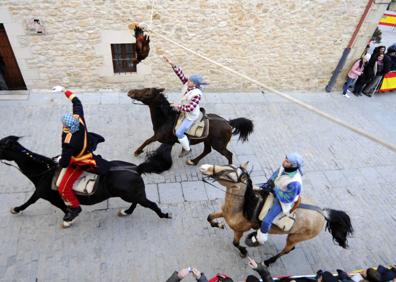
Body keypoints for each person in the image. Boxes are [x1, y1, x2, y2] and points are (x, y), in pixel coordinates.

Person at [53, 85, 109, 224]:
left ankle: (74, 207)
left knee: (63, 187)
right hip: (86, 148)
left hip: (78, 160)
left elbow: (65, 162)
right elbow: (77, 102)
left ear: (67, 127)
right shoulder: (79, 119)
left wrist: (60, 160)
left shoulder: (68, 141)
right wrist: (64, 90)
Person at [250, 153, 303, 245]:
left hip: (282, 201)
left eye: (287, 161)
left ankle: (261, 239)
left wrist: (275, 189)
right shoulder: (284, 167)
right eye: (285, 159)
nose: (284, 161)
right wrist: (270, 182)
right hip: (274, 188)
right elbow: (276, 175)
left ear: (293, 165)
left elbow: (288, 198)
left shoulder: (295, 182)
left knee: (266, 221)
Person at [163, 55, 207, 158]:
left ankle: (187, 149)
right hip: (183, 108)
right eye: (189, 80)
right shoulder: (188, 84)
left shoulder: (197, 94)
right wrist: (172, 64)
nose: (188, 81)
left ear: (195, 85)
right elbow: (180, 75)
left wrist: (177, 106)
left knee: (179, 133)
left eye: (190, 81)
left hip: (191, 116)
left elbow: (190, 108)